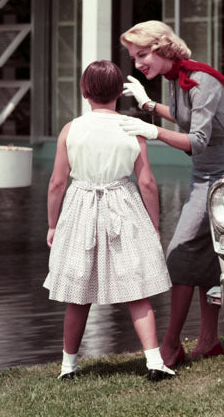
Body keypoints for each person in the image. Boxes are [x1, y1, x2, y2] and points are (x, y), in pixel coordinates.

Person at [118, 20, 224, 369]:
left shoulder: (204, 80)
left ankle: (170, 345)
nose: (138, 64)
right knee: (206, 260)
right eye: (133, 57)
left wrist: (152, 131)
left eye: (143, 54)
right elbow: (187, 119)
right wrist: (149, 106)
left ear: (162, 47)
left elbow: (197, 139)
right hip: (202, 174)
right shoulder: (177, 79)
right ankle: (208, 341)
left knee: (181, 253)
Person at [43, 60, 175, 382]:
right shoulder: (131, 128)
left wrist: (52, 224)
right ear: (120, 92)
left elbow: (57, 183)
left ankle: (68, 367)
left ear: (83, 91)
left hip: (80, 206)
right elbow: (146, 183)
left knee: (78, 293)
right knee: (137, 287)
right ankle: (154, 361)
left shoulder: (71, 129)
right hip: (123, 204)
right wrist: (154, 224)